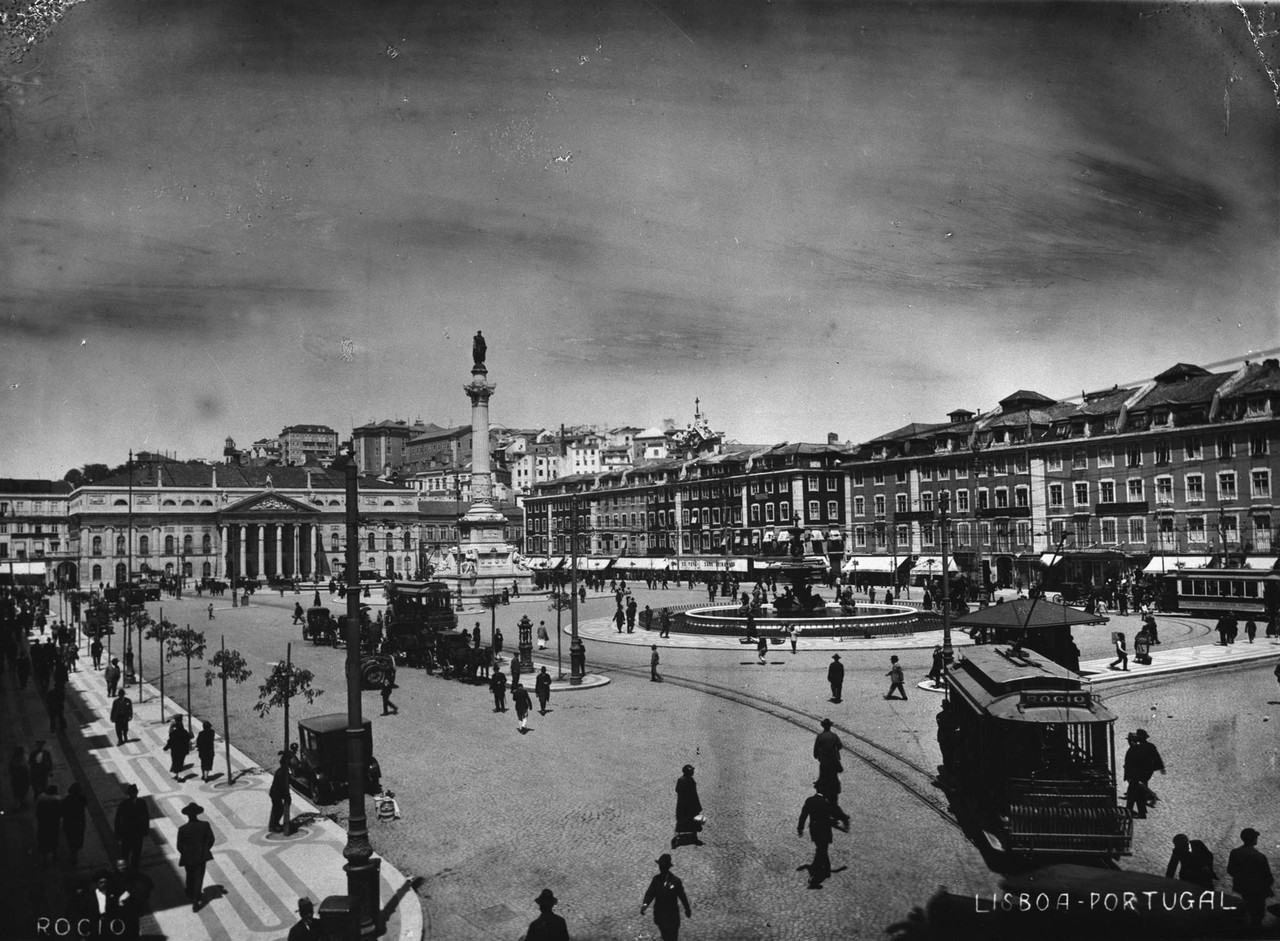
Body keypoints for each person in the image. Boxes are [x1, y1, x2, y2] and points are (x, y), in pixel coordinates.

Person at [1228, 827, 1274, 929]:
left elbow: (1230, 870)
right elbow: (1268, 876)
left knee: (1248, 909)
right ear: (1253, 839)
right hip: (1258, 889)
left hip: (1243, 888)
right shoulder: (1260, 856)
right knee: (1258, 913)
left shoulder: (1235, 853)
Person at [641, 854, 692, 941]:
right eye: (660, 866)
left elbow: (682, 896)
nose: (661, 868)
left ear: (667, 867)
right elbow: (650, 893)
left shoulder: (676, 881)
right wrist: (645, 905)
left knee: (672, 937)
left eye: (662, 866)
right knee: (666, 936)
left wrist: (687, 908)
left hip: (672, 916)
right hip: (660, 916)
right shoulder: (656, 879)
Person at [176, 802, 215, 910]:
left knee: (190, 875)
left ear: (188, 815)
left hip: (188, 857)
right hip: (201, 855)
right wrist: (205, 849)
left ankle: (190, 892)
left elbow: (179, 845)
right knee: (199, 877)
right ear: (197, 814)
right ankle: (196, 900)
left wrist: (186, 853)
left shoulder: (183, 829)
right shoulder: (204, 825)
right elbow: (211, 839)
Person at [797, 784, 835, 888]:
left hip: (814, 830)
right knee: (821, 850)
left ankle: (827, 870)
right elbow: (832, 815)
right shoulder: (826, 802)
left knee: (821, 848)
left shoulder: (809, 800)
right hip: (824, 830)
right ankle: (815, 877)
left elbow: (803, 816)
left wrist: (800, 828)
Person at [1122, 729, 1165, 818]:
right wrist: (1160, 768)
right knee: (1139, 792)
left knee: (1132, 793)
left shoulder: (1136, 748)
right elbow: (1157, 758)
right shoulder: (1150, 746)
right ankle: (1140, 812)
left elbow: (1130, 762)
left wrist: (1128, 775)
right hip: (1145, 774)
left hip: (1136, 774)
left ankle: (1131, 811)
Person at [114, 783, 150, 872]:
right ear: (129, 794)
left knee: (136, 853)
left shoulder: (142, 802)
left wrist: (145, 830)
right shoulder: (123, 804)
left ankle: (135, 869)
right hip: (127, 833)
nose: (133, 794)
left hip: (138, 833)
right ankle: (123, 871)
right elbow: (118, 819)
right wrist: (118, 834)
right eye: (132, 793)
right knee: (125, 853)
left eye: (134, 793)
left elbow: (146, 817)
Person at [673, 764, 703, 848]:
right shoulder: (690, 780)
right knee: (694, 821)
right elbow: (694, 794)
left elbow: (677, 790)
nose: (693, 772)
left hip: (682, 806)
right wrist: (698, 805)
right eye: (692, 771)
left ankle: (678, 836)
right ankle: (694, 838)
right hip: (691, 806)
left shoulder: (681, 780)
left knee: (682, 821)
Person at [62, 781, 88, 864]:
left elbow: (62, 811)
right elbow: (85, 803)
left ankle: (73, 852)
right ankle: (75, 853)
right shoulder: (82, 798)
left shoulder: (66, 800)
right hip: (80, 821)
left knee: (70, 838)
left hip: (69, 822)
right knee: (78, 837)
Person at [35, 784, 62, 864]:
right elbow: (60, 813)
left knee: (43, 840)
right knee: (54, 839)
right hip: (53, 824)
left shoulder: (41, 801)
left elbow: (37, 813)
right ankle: (54, 855)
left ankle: (45, 859)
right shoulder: (56, 802)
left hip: (43, 824)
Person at [269, 754, 292, 834]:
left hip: (277, 793)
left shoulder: (283, 771)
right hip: (276, 793)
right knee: (278, 809)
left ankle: (272, 825)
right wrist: (286, 795)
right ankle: (274, 825)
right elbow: (282, 786)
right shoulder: (281, 773)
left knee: (276, 809)